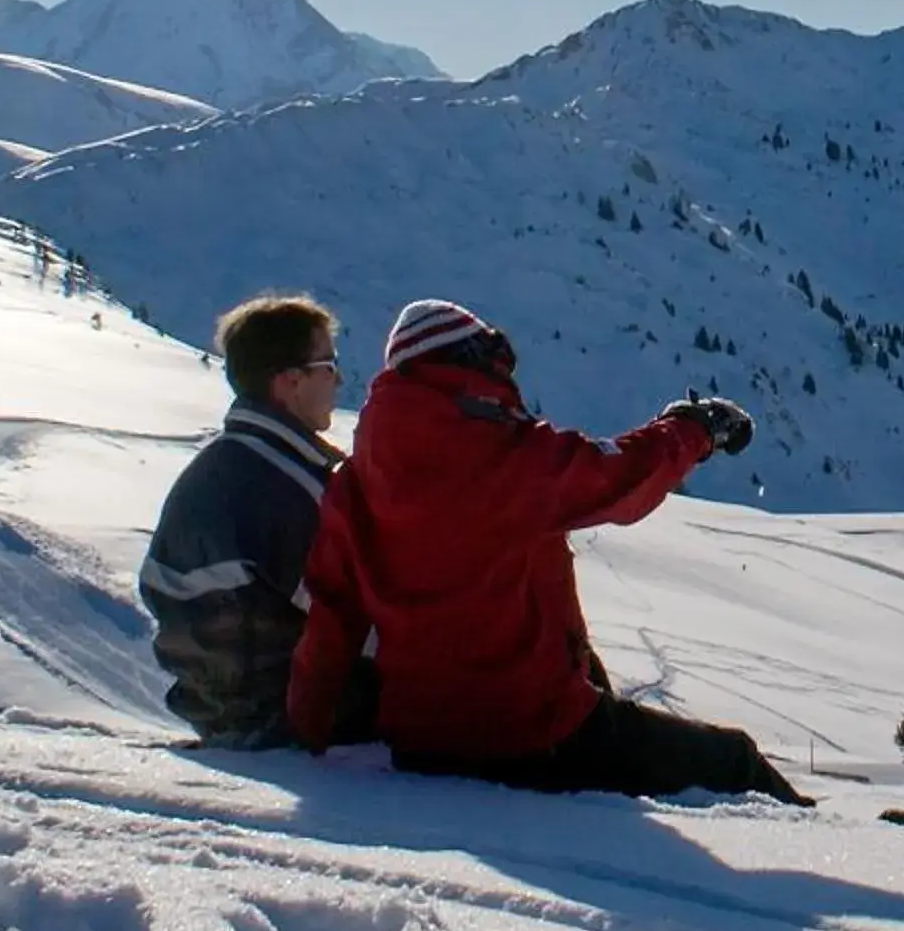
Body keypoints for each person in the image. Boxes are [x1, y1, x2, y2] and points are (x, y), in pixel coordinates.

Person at [287, 297, 808, 803]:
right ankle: (839, 846)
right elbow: (618, 476)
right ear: (466, 366)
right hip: (531, 732)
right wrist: (695, 430)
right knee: (732, 762)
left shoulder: (355, 483)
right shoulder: (506, 458)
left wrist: (304, 732)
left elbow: (332, 613)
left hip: (422, 738)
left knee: (606, 695)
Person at [141, 293, 374, 749]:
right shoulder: (282, 487)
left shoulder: (221, 469)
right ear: (289, 381)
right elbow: (353, 621)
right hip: (289, 713)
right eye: (328, 364)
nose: (340, 378)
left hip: (219, 706)